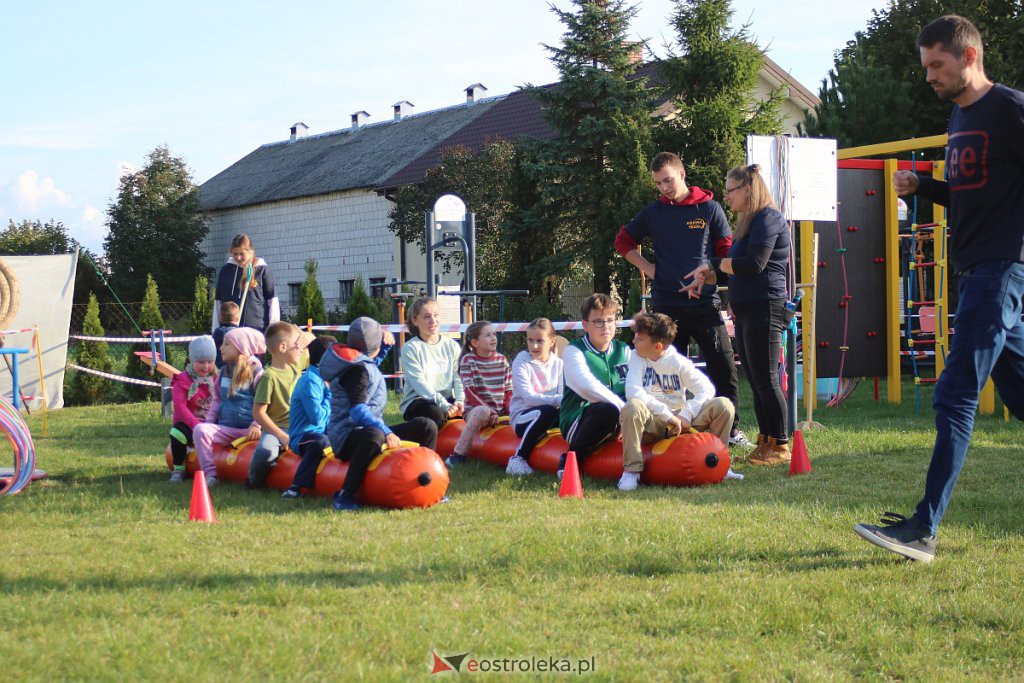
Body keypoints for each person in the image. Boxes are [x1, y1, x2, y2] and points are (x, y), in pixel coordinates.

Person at [853, 15, 1024, 563]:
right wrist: (925, 186)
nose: (928, 76)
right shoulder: (957, 115)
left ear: (968, 56)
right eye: (925, 65)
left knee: (954, 394)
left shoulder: (1012, 110)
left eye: (936, 65)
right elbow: (975, 194)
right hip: (975, 271)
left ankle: (922, 530)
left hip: (1002, 271)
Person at [615, 151, 749, 447]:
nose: (664, 187)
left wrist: (709, 275)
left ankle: (732, 430)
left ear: (682, 174)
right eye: (658, 183)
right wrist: (648, 267)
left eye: (668, 180)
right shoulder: (654, 212)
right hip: (666, 309)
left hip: (704, 305)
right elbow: (622, 241)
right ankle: (666, 427)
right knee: (662, 374)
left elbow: (727, 254)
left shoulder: (710, 208)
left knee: (724, 369)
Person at [684, 164, 792, 465]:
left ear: (748, 189)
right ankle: (766, 441)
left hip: (765, 306)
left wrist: (715, 264)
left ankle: (781, 444)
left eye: (731, 190)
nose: (727, 196)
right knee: (757, 380)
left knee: (767, 379)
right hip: (747, 308)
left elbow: (754, 265)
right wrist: (710, 272)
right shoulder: (750, 223)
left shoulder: (769, 219)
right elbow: (736, 267)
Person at [320, 317, 438, 511]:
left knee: (426, 426)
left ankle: (428, 477)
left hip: (370, 431)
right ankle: (346, 494)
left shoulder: (363, 364)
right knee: (374, 434)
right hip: (346, 437)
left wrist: (384, 346)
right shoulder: (355, 371)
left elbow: (371, 366)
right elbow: (358, 412)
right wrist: (386, 431)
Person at [618, 312, 737, 491]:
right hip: (653, 421)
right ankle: (632, 471)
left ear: (658, 346)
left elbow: (706, 389)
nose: (634, 342)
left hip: (680, 422)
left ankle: (721, 462)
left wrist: (685, 414)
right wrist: (667, 417)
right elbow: (633, 392)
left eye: (639, 339)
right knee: (632, 406)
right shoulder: (636, 356)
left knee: (723, 405)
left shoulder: (678, 362)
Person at [558, 293, 631, 479]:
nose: (605, 326)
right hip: (580, 418)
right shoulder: (574, 350)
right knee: (605, 410)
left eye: (610, 320)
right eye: (598, 321)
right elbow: (584, 386)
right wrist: (622, 408)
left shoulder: (624, 350)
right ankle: (571, 459)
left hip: (620, 419)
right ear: (585, 325)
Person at [192, 327, 267, 486]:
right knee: (200, 430)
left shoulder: (258, 372)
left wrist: (256, 425)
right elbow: (217, 400)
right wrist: (210, 422)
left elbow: (265, 402)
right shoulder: (224, 372)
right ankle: (211, 474)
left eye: (226, 344)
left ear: (241, 347)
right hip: (227, 429)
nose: (221, 348)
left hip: (250, 431)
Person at [248, 321, 310, 488]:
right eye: (297, 346)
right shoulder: (269, 377)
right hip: (277, 431)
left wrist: (303, 338)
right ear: (283, 347)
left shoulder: (295, 367)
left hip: (300, 428)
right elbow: (258, 413)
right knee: (265, 452)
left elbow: (311, 340)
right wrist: (282, 436)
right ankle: (253, 482)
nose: (301, 350)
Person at [446, 322, 513, 467]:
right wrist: (490, 411)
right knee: (481, 412)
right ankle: (457, 455)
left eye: (494, 334)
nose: (493, 338)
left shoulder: (502, 360)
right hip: (477, 410)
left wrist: (511, 411)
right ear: (475, 342)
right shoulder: (468, 361)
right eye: (488, 335)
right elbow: (470, 393)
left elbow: (509, 391)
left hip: (500, 413)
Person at [506, 318, 563, 477]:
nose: (534, 345)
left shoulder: (559, 364)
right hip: (523, 416)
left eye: (539, 341)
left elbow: (563, 394)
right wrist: (559, 401)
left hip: (550, 413)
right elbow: (529, 398)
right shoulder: (521, 361)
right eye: (530, 340)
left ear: (552, 341)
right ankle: (518, 458)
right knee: (548, 412)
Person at [281, 336, 335, 500]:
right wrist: (330, 394)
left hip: (325, 433)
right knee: (320, 442)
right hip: (303, 436)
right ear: (325, 359)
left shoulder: (326, 379)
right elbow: (317, 418)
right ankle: (296, 486)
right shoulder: (311, 381)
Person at [398, 296, 465, 429]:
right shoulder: (411, 348)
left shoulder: (452, 346)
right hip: (418, 400)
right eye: (427, 316)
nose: (433, 321)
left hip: (445, 399)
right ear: (415, 320)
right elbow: (420, 385)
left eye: (436, 315)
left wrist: (460, 401)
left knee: (470, 410)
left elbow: (459, 378)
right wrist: (444, 405)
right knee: (437, 414)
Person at [168, 336, 218, 482]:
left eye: (210, 362)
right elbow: (179, 406)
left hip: (211, 422)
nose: (205, 366)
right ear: (191, 360)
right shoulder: (182, 380)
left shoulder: (217, 378)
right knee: (177, 432)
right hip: (190, 424)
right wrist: (195, 424)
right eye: (201, 362)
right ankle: (179, 468)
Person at [213, 233, 280, 333]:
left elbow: (272, 301)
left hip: (257, 332)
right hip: (231, 332)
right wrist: (215, 330)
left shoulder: (262, 270)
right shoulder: (225, 271)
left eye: (241, 254)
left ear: (250, 251)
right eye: (235, 254)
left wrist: (273, 331)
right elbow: (218, 303)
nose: (238, 257)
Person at [212, 301, 240, 369]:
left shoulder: (218, 332)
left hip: (218, 366)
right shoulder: (238, 333)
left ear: (221, 318)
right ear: (237, 318)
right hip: (233, 367)